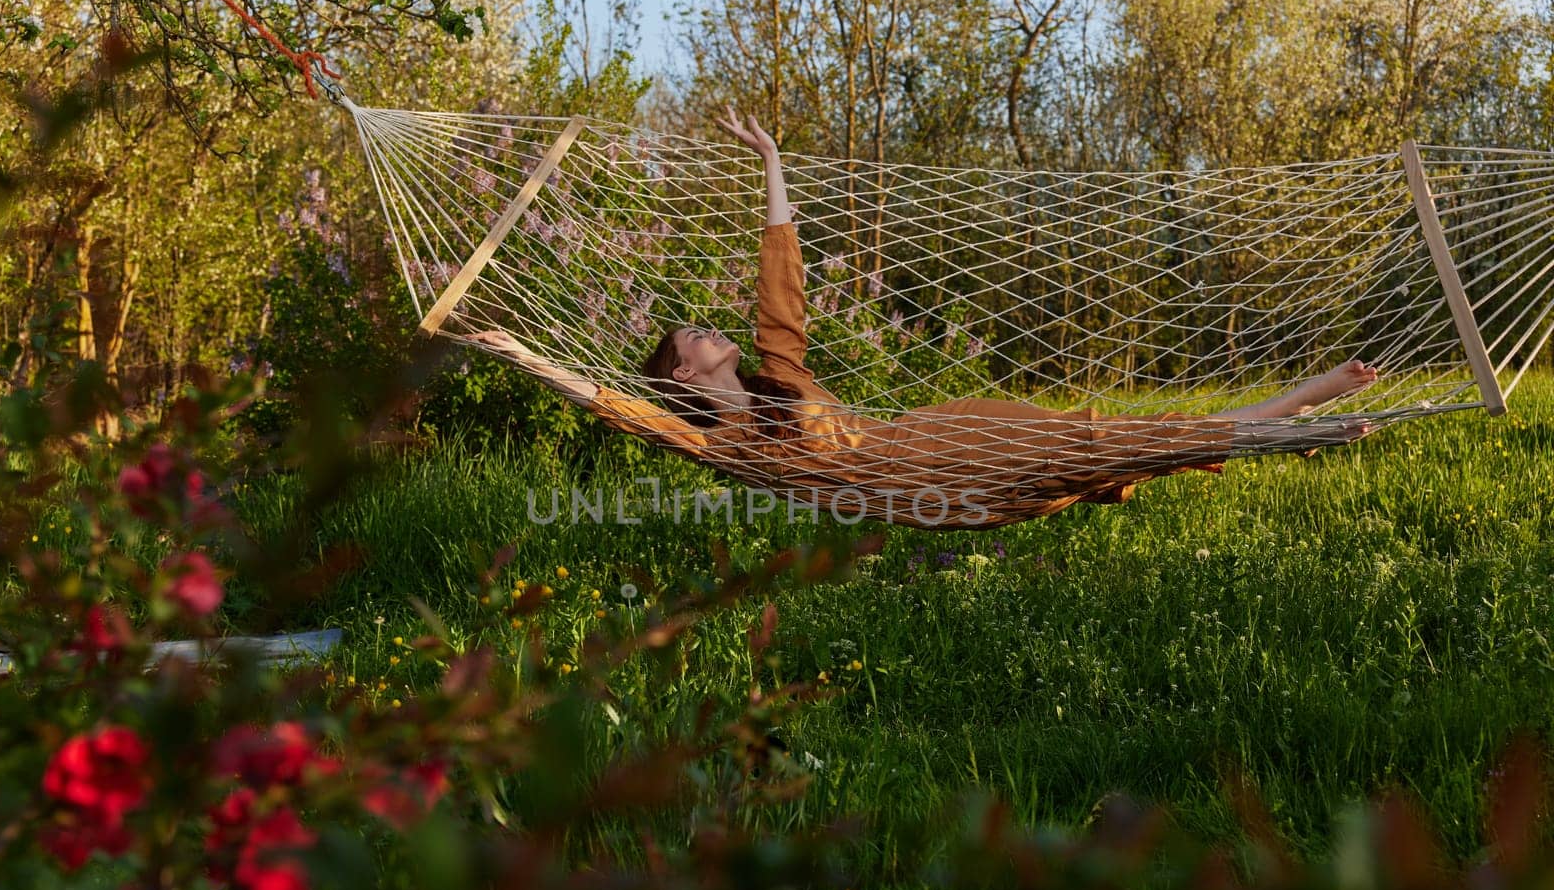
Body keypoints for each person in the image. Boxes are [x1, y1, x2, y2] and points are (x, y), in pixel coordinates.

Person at [461, 106, 1377, 528]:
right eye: (692, 337)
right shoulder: (729, 445)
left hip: (949, 440)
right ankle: (1294, 426)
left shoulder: (782, 380)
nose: (708, 329)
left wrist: (773, 157)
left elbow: (782, 282)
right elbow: (618, 407)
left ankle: (1291, 411)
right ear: (685, 375)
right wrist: (521, 355)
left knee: (1117, 440)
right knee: (1120, 444)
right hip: (930, 491)